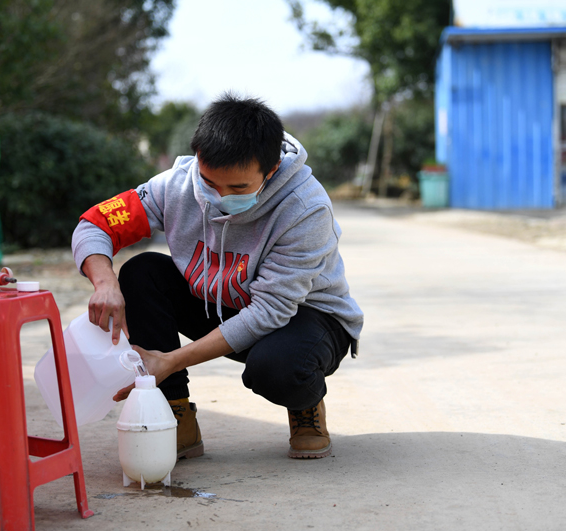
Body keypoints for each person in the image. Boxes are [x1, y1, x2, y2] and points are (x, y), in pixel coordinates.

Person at [72, 93, 363, 460]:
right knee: (141, 272)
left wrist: (171, 360)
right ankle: (176, 412)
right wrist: (104, 283)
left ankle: (305, 404)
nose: (218, 197)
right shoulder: (176, 184)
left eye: (238, 188)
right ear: (198, 160)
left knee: (278, 368)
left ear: (270, 171)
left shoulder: (305, 208)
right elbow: (95, 225)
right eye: (210, 182)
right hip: (224, 303)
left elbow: (269, 312)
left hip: (307, 319)